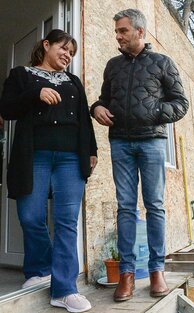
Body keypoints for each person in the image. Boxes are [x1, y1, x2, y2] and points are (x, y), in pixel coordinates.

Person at [90, 9, 189, 302]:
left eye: (122, 31)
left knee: (155, 206)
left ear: (140, 32)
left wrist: (154, 112)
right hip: (121, 143)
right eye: (116, 32)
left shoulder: (162, 63)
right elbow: (103, 99)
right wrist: (96, 108)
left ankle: (156, 270)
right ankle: (128, 274)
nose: (117, 36)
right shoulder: (113, 66)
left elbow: (181, 103)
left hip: (152, 143)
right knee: (125, 208)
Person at [0, 29, 97, 313]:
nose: (67, 55)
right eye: (63, 48)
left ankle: (65, 289)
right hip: (35, 156)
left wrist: (91, 151)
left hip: (69, 158)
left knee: (67, 222)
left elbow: (84, 120)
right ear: (46, 45)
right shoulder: (21, 75)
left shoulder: (74, 82)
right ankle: (40, 269)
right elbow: (7, 108)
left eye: (72, 52)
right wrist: (36, 93)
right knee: (31, 216)